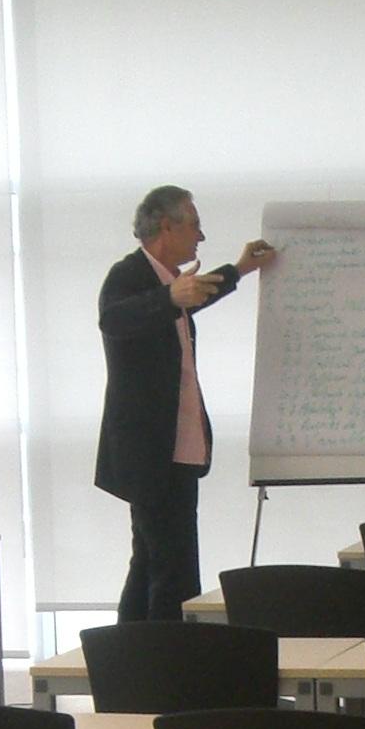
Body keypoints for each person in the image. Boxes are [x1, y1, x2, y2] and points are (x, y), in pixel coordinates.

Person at [96, 185, 277, 623]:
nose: (201, 235)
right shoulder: (129, 274)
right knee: (172, 569)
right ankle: (168, 656)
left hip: (176, 451)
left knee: (151, 561)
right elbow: (113, 318)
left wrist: (239, 269)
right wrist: (170, 298)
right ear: (166, 226)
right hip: (149, 453)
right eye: (194, 225)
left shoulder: (168, 283)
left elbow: (192, 295)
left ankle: (129, 655)